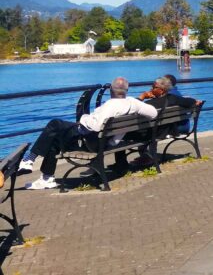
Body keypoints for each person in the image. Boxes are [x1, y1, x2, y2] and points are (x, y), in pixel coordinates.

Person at [18, 77, 158, 190]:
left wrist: (84, 119)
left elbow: (95, 126)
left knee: (55, 125)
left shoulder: (110, 106)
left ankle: (31, 161)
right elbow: (154, 113)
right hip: (109, 140)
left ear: (110, 90)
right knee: (55, 134)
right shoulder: (133, 103)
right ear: (127, 90)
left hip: (92, 143)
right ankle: (43, 174)